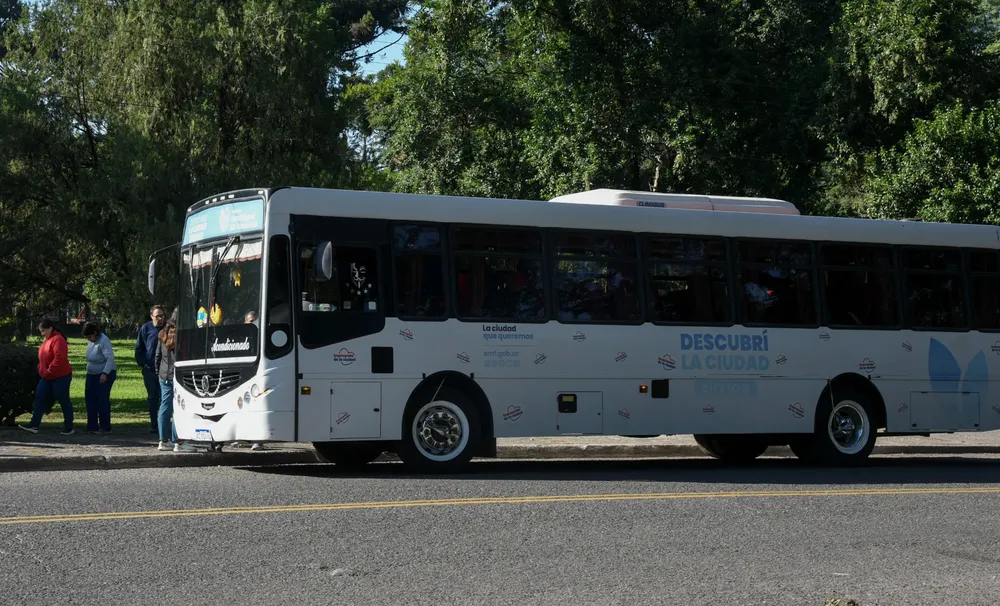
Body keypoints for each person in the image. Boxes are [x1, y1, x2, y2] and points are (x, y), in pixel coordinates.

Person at [19, 318, 74, 435]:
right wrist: (41, 369)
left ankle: (69, 427)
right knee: (39, 397)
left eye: (43, 330)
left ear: (50, 328)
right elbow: (43, 357)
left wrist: (49, 370)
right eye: (40, 331)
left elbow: (59, 358)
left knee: (63, 399)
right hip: (46, 376)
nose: (42, 333)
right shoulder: (47, 340)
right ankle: (34, 424)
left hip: (60, 376)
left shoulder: (58, 340)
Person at [155, 309, 195, 452]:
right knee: (179, 408)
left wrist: (158, 372)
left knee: (165, 407)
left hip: (163, 374)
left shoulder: (163, 333)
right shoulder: (183, 335)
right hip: (178, 375)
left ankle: (163, 440)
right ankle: (179, 441)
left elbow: (157, 356)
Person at [135, 305, 165, 434]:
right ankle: (154, 424)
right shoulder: (145, 328)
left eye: (162, 315)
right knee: (152, 397)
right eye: (157, 316)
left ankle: (164, 424)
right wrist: (143, 364)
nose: (160, 318)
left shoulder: (168, 328)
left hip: (164, 369)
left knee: (164, 397)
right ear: (151, 316)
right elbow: (139, 348)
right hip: (150, 369)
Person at [82, 322, 117, 433]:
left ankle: (105, 427)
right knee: (90, 399)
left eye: (90, 337)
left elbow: (110, 359)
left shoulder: (104, 341)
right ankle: (92, 426)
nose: (89, 339)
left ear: (95, 333)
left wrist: (105, 373)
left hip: (103, 373)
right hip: (91, 374)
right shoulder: (92, 341)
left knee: (102, 400)